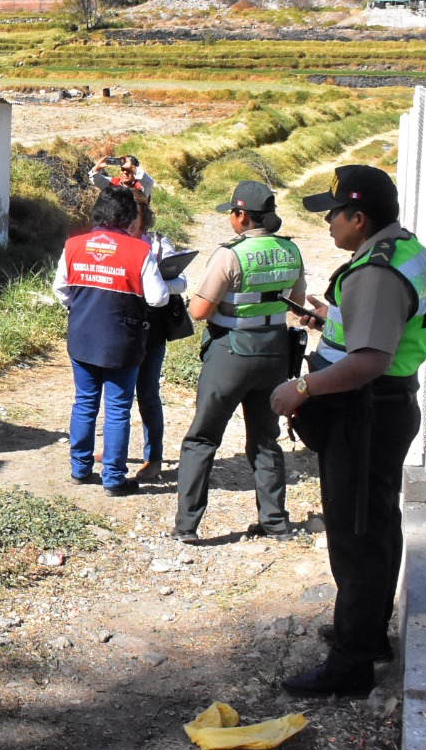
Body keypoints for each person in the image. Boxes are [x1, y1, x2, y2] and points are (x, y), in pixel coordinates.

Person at [269, 165, 426, 698]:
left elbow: (369, 360)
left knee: (355, 538)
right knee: (377, 526)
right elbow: (376, 330)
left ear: (359, 217)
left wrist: (301, 389)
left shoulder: (375, 274)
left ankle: (350, 665)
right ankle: (365, 632)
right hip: (385, 408)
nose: (327, 222)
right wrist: (330, 317)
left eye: (333, 212)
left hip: (365, 414)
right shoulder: (400, 251)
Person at [172, 181, 306, 543]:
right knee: (265, 439)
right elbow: (297, 300)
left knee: (202, 438)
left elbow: (199, 311)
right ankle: (275, 523)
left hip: (231, 351)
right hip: (275, 352)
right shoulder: (290, 250)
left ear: (242, 215)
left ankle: (187, 526)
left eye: (232, 212)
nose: (231, 218)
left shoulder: (231, 254)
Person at [51, 184, 170, 495]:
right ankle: (114, 479)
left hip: (82, 335)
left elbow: (60, 289)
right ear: (130, 218)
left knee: (85, 402)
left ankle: (79, 468)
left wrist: (84, 306)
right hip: (123, 340)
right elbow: (158, 298)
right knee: (118, 408)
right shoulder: (139, 251)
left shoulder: (74, 245)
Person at [131, 193, 189, 484]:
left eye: (135, 213)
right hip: (120, 328)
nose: (129, 220)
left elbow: (182, 282)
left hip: (152, 328)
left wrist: (152, 283)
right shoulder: (112, 243)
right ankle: (112, 449)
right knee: (116, 394)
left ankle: (153, 458)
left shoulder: (157, 243)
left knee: (148, 393)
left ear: (144, 215)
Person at [90, 154, 154, 197]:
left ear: (135, 171)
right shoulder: (112, 183)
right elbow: (96, 179)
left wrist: (131, 167)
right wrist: (97, 168)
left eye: (129, 170)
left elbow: (149, 183)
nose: (125, 172)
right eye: (123, 169)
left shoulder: (140, 187)